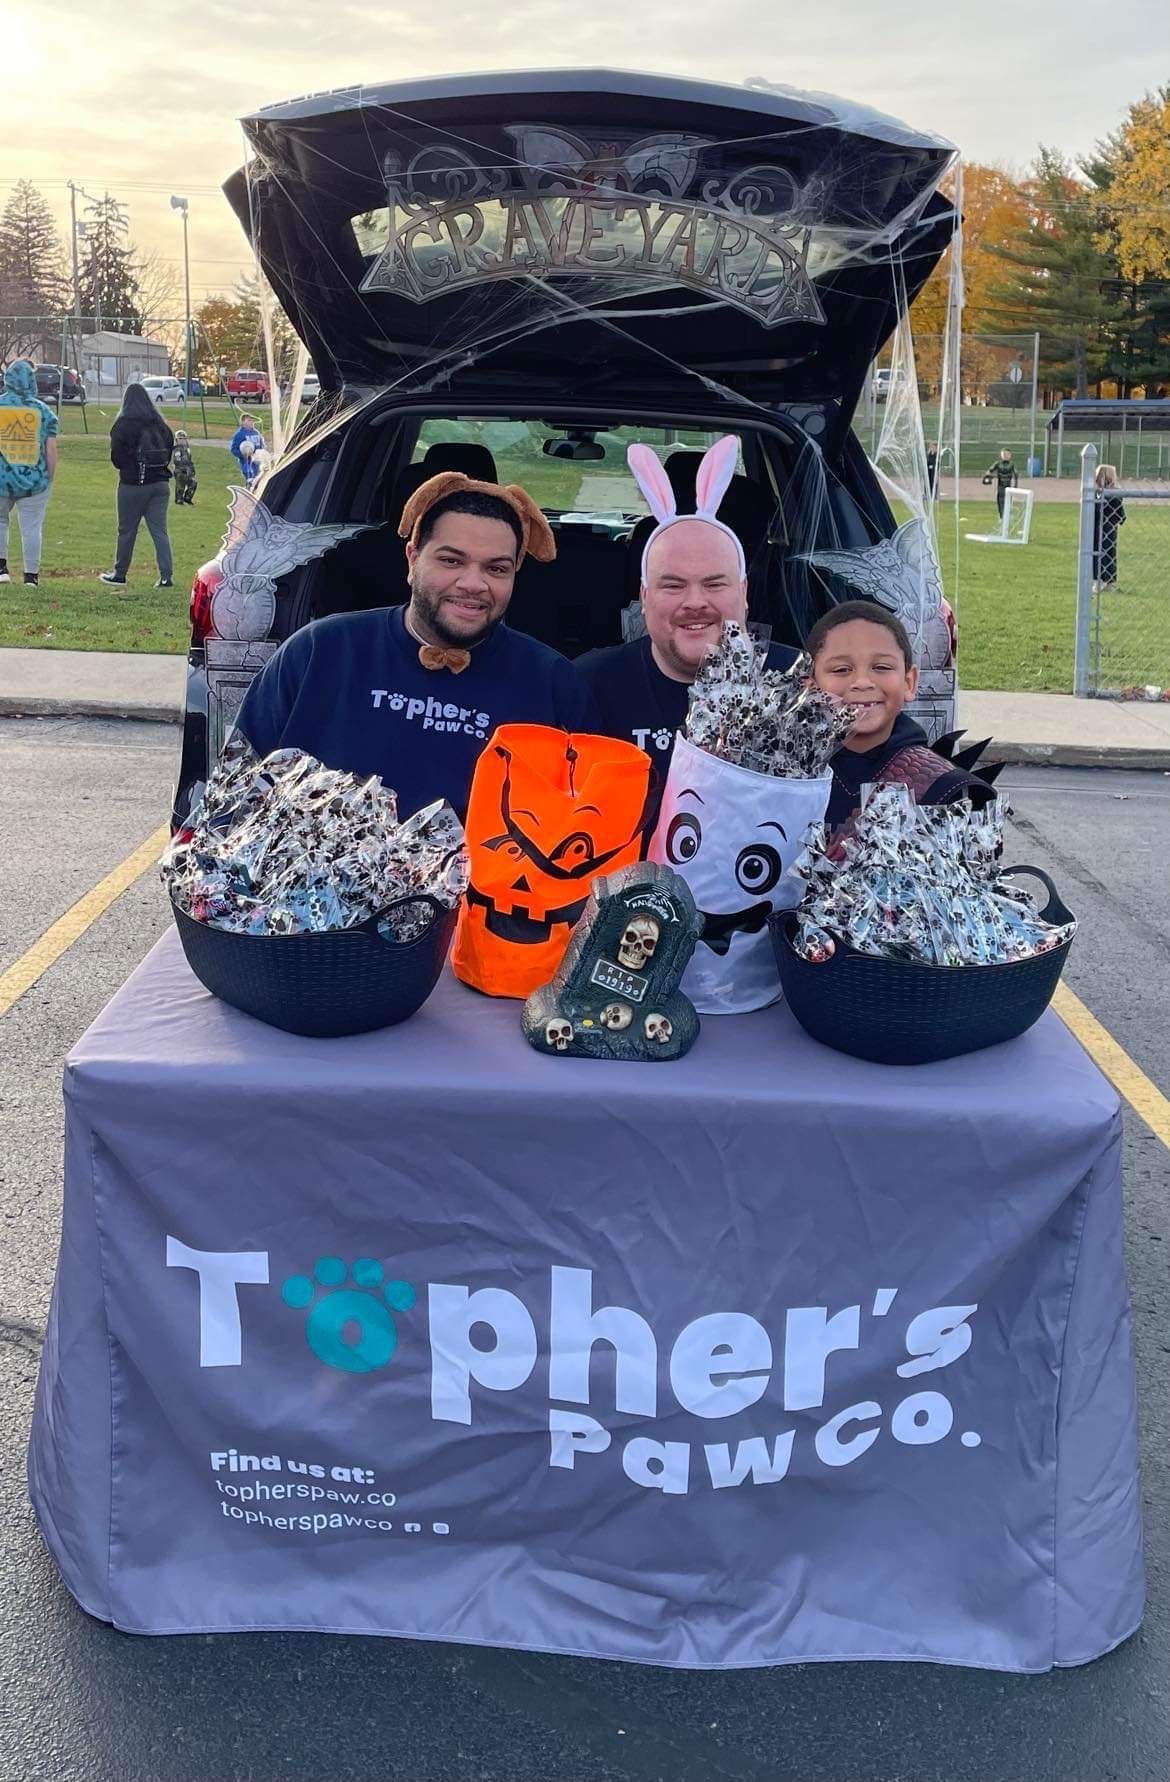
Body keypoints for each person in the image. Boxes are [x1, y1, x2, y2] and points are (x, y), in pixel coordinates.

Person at [232, 472, 597, 818]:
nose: (473, 583)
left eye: (496, 569)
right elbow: (236, 793)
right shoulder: (320, 652)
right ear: (412, 559)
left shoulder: (552, 685)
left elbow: (587, 822)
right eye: (451, 561)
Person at [576, 436, 797, 766]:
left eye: (714, 583)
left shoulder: (795, 683)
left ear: (744, 591)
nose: (695, 602)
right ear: (645, 597)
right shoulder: (586, 686)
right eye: (673, 585)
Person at [806, 600, 995, 833]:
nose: (863, 682)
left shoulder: (945, 789)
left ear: (909, 682)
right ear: (810, 687)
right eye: (841, 669)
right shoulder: (783, 779)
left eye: (882, 667)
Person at [99, 382, 174, 589]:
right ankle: (166, 575)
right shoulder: (161, 425)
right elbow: (169, 451)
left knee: (127, 530)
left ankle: (120, 573)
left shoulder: (122, 425)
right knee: (160, 531)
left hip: (132, 484)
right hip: (160, 483)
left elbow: (117, 460)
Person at [0, 358, 59, 589]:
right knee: (32, 528)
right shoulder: (43, 411)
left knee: (1, 522)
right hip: (35, 479)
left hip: (2, 478)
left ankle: (1, 569)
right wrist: (49, 477)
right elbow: (50, 448)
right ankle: (31, 577)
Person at [1092, 463, 1126, 591]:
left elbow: (1117, 512)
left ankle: (1107, 580)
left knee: (1107, 553)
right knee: (1097, 552)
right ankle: (1101, 580)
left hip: (1107, 528)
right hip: (1097, 527)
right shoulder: (1097, 493)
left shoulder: (1114, 494)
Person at [981, 448, 1018, 517]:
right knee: (1000, 500)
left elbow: (1016, 474)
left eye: (1007, 454)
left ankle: (1007, 515)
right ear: (1001, 455)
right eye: (1004, 454)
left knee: (1008, 500)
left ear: (1010, 455)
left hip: (1008, 485)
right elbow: (989, 471)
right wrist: (988, 477)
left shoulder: (1012, 464)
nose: (1005, 456)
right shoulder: (998, 463)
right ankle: (1001, 515)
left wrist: (1015, 485)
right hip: (1000, 485)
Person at [230, 414, 264, 484]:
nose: (251, 422)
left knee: (259, 482)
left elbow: (261, 446)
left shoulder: (256, 433)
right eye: (249, 420)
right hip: (248, 466)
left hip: (258, 464)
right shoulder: (239, 435)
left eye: (252, 420)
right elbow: (234, 449)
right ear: (242, 422)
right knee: (251, 483)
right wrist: (244, 455)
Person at [172, 429, 197, 505]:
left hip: (188, 470)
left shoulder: (187, 449)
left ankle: (188, 498)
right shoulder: (177, 449)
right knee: (181, 485)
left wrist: (192, 469)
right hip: (180, 470)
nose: (182, 440)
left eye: (184, 439)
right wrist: (182, 467)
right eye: (180, 439)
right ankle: (179, 499)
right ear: (176, 440)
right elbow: (177, 460)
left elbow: (189, 460)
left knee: (193, 483)